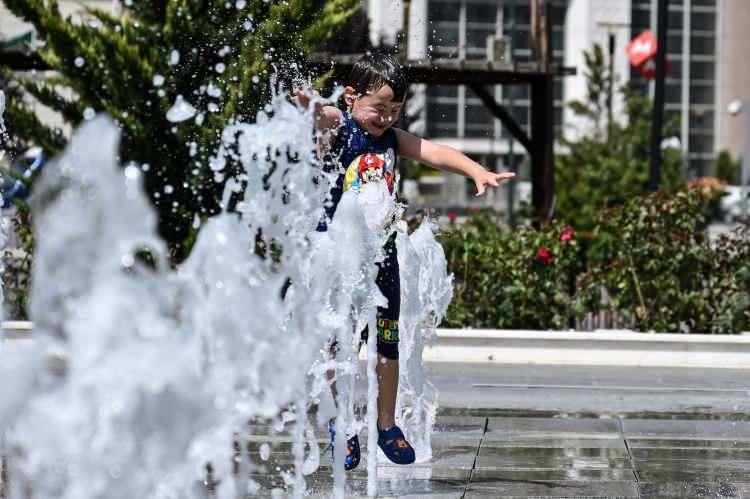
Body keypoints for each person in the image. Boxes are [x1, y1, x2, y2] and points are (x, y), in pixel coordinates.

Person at [295, 51, 514, 470]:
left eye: (394, 110)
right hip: (338, 257)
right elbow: (319, 116)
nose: (386, 118)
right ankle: (341, 424)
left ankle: (386, 424)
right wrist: (308, 107)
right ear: (351, 98)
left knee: (387, 344)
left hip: (382, 257)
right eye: (379, 108)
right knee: (341, 345)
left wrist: (475, 171)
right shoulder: (341, 127)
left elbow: (433, 151)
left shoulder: (393, 140)